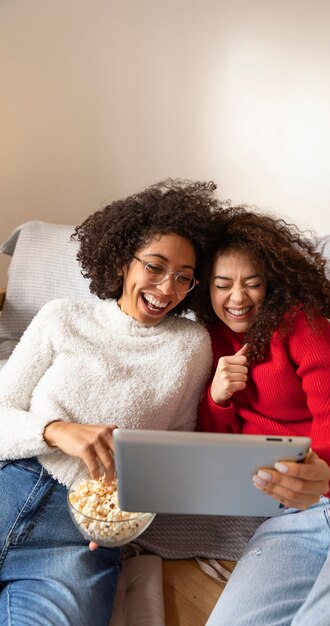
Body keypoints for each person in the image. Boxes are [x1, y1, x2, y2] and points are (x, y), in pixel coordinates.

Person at [0, 179, 224, 626]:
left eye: (184, 277)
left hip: (80, 534)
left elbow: (179, 441)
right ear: (124, 261)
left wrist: (130, 509)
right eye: (156, 267)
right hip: (12, 480)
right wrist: (55, 430)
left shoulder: (191, 345)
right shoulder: (62, 316)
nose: (167, 287)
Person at [196, 207, 330, 626]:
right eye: (222, 284)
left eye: (253, 284)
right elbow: (217, 455)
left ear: (274, 284)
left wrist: (323, 469)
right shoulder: (203, 343)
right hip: (292, 514)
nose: (237, 298)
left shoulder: (304, 328)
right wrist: (218, 398)